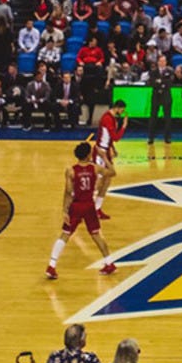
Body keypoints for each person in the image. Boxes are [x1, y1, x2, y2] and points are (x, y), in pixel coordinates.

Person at [45, 143, 116, 279]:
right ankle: (109, 262)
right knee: (96, 235)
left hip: (76, 206)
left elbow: (68, 192)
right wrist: (104, 157)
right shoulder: (95, 168)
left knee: (65, 235)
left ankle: (51, 266)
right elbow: (112, 173)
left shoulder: (71, 170)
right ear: (88, 155)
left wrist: (64, 210)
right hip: (89, 205)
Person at [92, 99, 128, 221]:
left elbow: (109, 138)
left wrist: (113, 148)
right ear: (117, 107)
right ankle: (83, 209)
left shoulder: (111, 118)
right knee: (97, 183)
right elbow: (116, 137)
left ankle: (97, 209)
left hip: (106, 150)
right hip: (100, 152)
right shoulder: (107, 118)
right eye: (122, 110)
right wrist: (124, 126)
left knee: (107, 181)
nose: (122, 112)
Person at [147, 55, 173, 144]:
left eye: (164, 61)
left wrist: (160, 82)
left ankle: (167, 137)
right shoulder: (153, 72)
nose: (162, 63)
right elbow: (152, 82)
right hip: (156, 96)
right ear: (158, 62)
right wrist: (161, 83)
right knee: (153, 117)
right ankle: (151, 137)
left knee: (167, 118)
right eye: (161, 61)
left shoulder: (169, 71)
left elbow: (169, 83)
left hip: (166, 96)